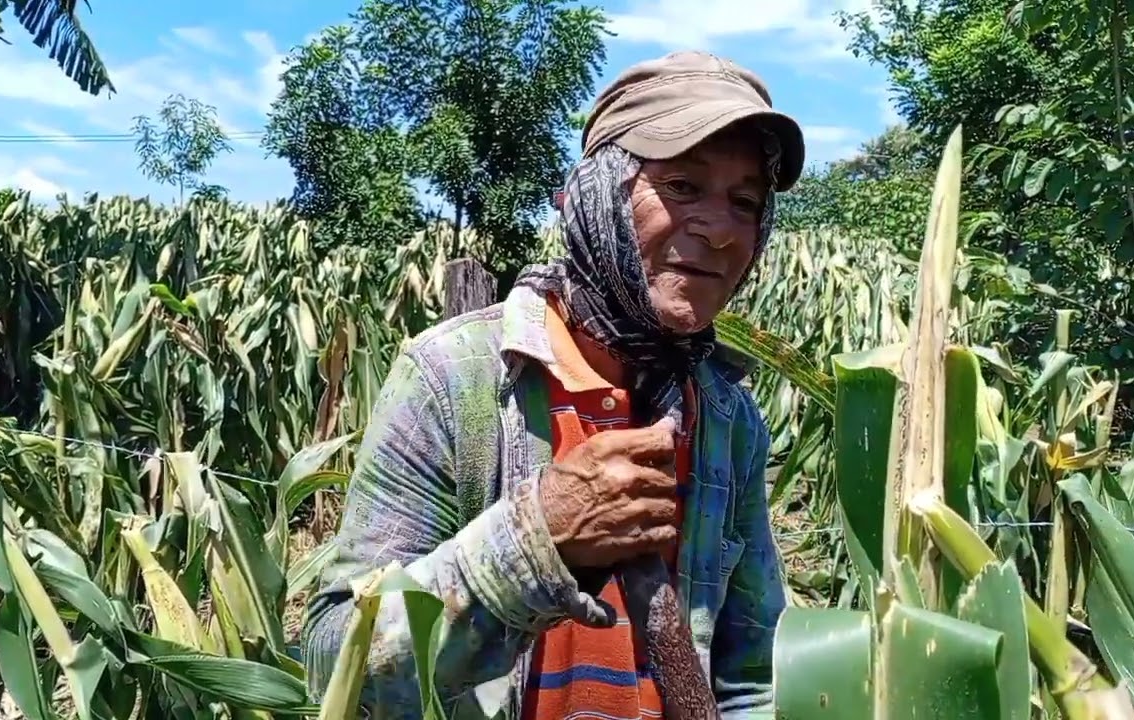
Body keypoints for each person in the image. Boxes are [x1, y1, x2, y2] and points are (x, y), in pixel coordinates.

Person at [301, 49, 805, 719]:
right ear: (595, 196)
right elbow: (333, 663)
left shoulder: (724, 414)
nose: (719, 231)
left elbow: (752, 679)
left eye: (745, 202)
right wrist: (535, 542)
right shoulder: (454, 378)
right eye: (682, 186)